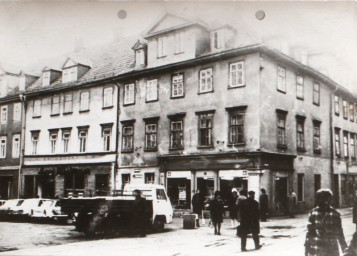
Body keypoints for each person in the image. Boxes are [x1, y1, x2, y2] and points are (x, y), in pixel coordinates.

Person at [304, 189, 347, 256]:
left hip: (331, 249)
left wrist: (345, 250)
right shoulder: (313, 213)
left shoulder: (335, 214)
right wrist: (306, 250)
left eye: (326, 199)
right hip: (317, 248)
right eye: (319, 199)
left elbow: (340, 233)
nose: (324, 202)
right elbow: (309, 233)